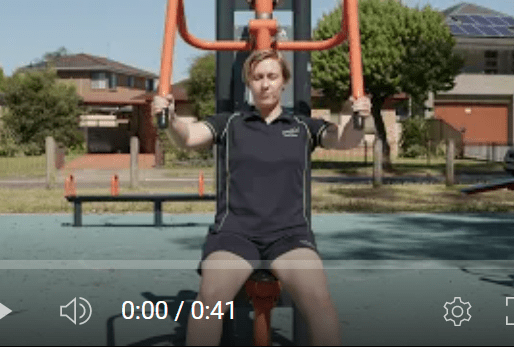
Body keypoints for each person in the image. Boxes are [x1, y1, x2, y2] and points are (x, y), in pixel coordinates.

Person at [154, 49, 371, 346]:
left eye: (272, 76)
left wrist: (358, 117)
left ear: (284, 82)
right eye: (257, 77)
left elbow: (346, 140)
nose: (265, 84)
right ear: (249, 83)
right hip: (236, 233)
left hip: (289, 234)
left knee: (318, 299)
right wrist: (171, 118)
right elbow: (189, 137)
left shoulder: (303, 127)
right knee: (210, 299)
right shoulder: (229, 123)